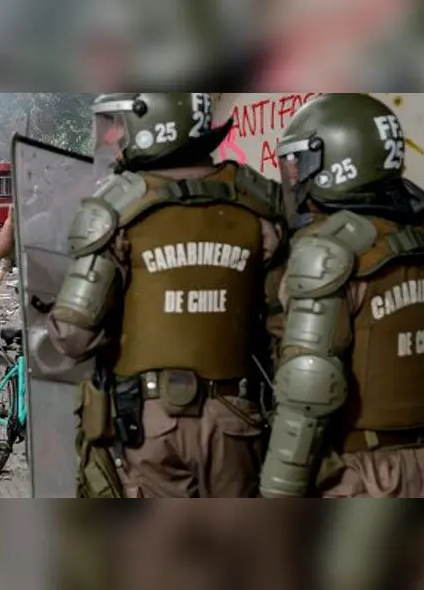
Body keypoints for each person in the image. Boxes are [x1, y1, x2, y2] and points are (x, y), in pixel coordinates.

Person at [45, 93, 287, 498]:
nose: (113, 137)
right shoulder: (258, 202)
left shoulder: (116, 207)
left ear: (150, 123)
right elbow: (287, 331)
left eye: (119, 124)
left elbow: (74, 335)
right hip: (237, 421)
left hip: (148, 426)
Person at [259, 93, 424, 498]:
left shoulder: (329, 248)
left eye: (301, 161)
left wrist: (277, 488)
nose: (294, 176)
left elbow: (307, 386)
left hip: (354, 473)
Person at [0, 207, 16, 300]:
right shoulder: (22, 223)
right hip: (17, 251)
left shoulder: (9, 223)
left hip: (8, 250)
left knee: (3, 269)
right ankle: (20, 287)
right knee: (26, 269)